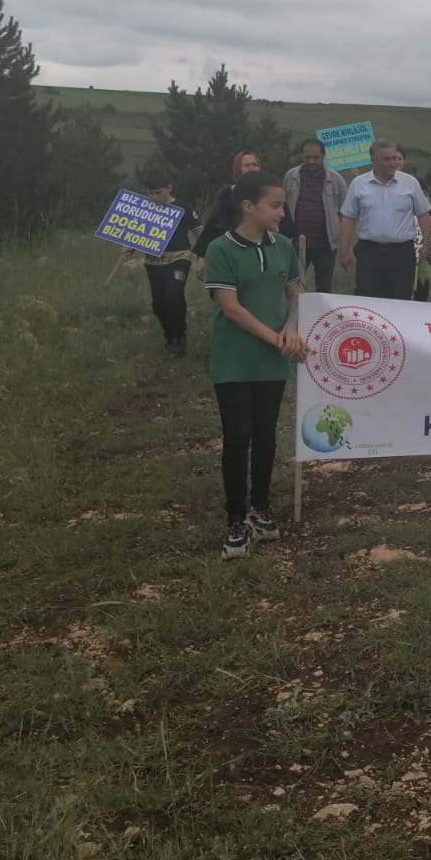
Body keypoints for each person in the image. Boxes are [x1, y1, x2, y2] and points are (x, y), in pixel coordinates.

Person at [202, 170, 307, 559]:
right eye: (275, 205)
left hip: (273, 361)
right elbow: (231, 310)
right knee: (237, 437)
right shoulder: (220, 250)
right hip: (234, 361)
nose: (282, 213)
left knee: (265, 435)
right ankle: (234, 520)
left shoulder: (283, 247)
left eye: (283, 205)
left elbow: (297, 295)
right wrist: (278, 338)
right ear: (249, 207)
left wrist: (293, 329)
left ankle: (259, 508)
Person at [337, 140, 431, 300]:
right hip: (369, 253)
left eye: (394, 158)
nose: (393, 163)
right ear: (373, 161)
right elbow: (348, 219)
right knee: (367, 299)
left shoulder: (410, 183)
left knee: (400, 299)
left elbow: (423, 214)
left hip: (401, 253)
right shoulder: (358, 184)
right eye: (386, 159)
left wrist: (426, 245)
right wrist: (343, 250)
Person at [127, 168, 199, 356]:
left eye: (158, 192)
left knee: (173, 296)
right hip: (153, 262)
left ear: (169, 188)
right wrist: (129, 247)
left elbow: (200, 234)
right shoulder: (145, 209)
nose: (154, 197)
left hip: (179, 258)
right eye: (150, 193)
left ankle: (179, 336)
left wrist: (202, 257)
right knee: (158, 304)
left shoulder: (184, 208)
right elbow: (136, 233)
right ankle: (169, 335)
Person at [195, 152, 300, 272]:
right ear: (237, 170)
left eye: (255, 164)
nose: (252, 168)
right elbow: (213, 227)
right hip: (231, 252)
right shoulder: (228, 195)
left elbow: (286, 225)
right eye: (247, 165)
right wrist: (202, 256)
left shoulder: (272, 196)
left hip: (266, 251)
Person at [284, 138, 349, 294]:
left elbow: (345, 212)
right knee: (292, 285)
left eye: (315, 157)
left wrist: (341, 243)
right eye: (307, 157)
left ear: (323, 156)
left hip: (325, 245)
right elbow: (284, 206)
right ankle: (294, 317)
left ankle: (321, 317)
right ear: (302, 156)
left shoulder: (336, 180)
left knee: (324, 288)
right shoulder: (291, 176)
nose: (311, 161)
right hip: (295, 243)